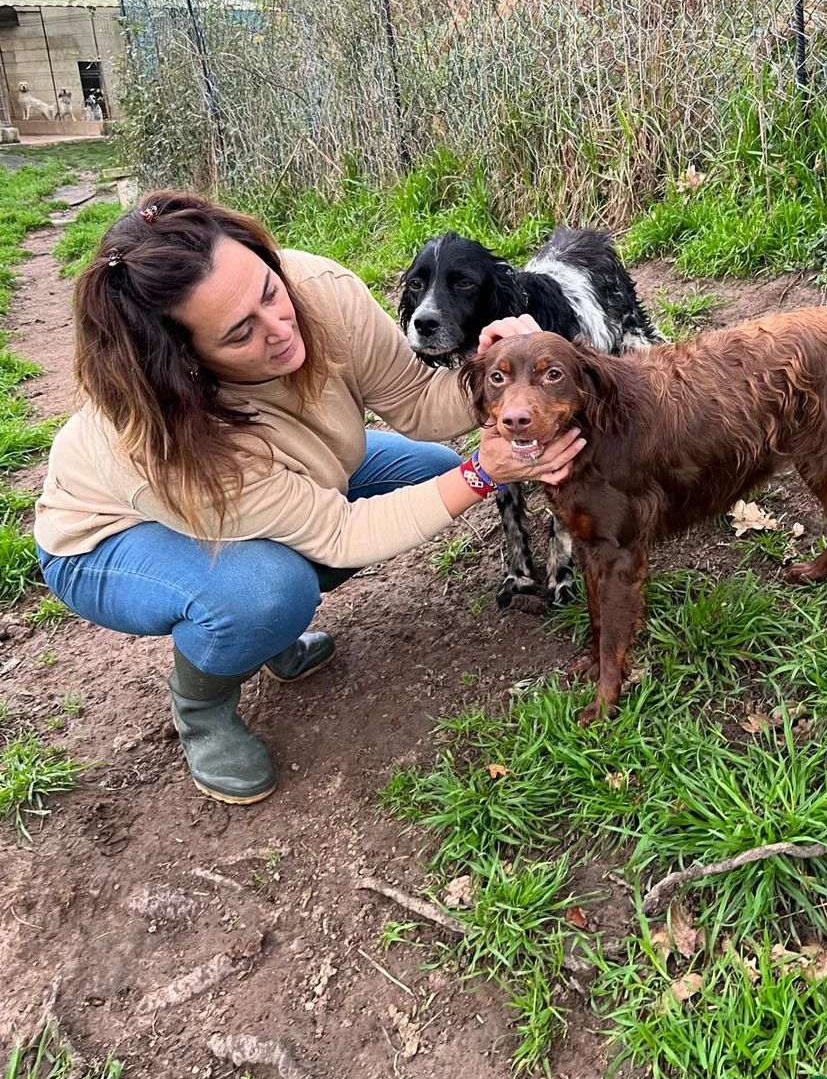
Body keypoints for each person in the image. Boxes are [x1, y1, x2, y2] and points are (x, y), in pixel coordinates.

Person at [34, 192, 584, 805]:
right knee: (268, 591)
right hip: (105, 536)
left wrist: (499, 368)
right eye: (242, 333)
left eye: (269, 292)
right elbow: (343, 533)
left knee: (425, 472)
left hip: (284, 480)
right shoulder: (158, 438)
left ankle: (264, 631)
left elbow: (417, 401)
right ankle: (205, 707)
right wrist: (483, 473)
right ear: (183, 362)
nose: (281, 326)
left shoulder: (314, 289)